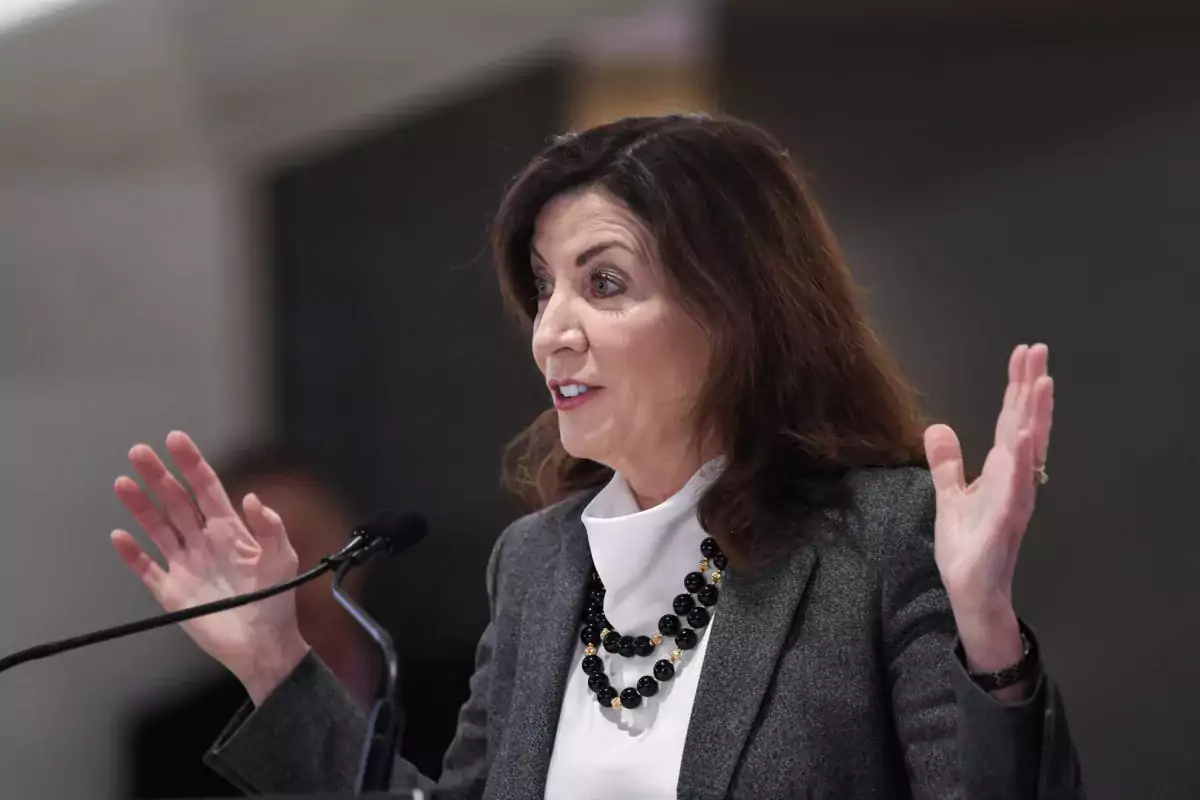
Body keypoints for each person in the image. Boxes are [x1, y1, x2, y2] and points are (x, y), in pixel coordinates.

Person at [109, 114, 1085, 799]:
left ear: (737, 308)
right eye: (544, 288)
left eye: (604, 282)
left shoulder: (877, 535)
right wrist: (277, 659)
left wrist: (989, 633)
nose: (551, 333)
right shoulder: (540, 563)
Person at [121, 446, 379, 798]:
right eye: (253, 556)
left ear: (356, 548)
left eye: (305, 543)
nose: (291, 574)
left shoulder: (459, 698)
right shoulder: (174, 741)